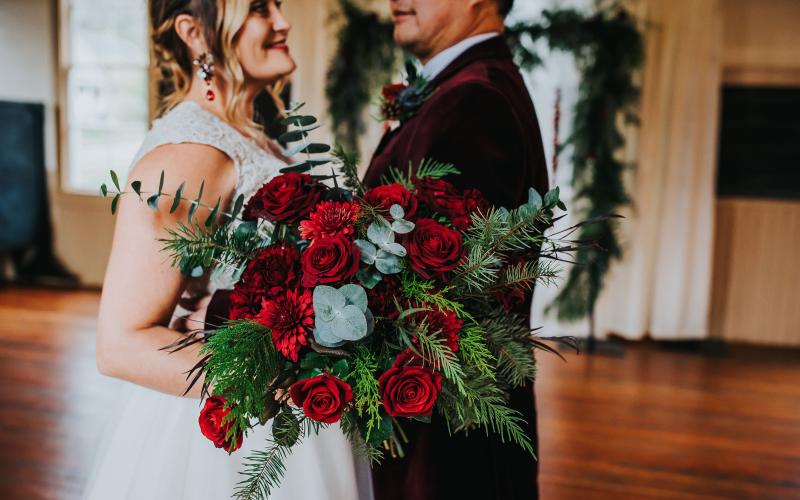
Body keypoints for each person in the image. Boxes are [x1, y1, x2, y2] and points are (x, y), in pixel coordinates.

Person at [86, 1, 371, 499]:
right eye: (259, 7)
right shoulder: (189, 156)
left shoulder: (253, 136)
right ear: (195, 33)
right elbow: (119, 345)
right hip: (241, 441)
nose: (282, 21)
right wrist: (276, 379)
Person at [363, 0, 548, 499]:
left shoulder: (473, 102)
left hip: (447, 442)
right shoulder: (467, 85)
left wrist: (235, 311)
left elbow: (414, 295)